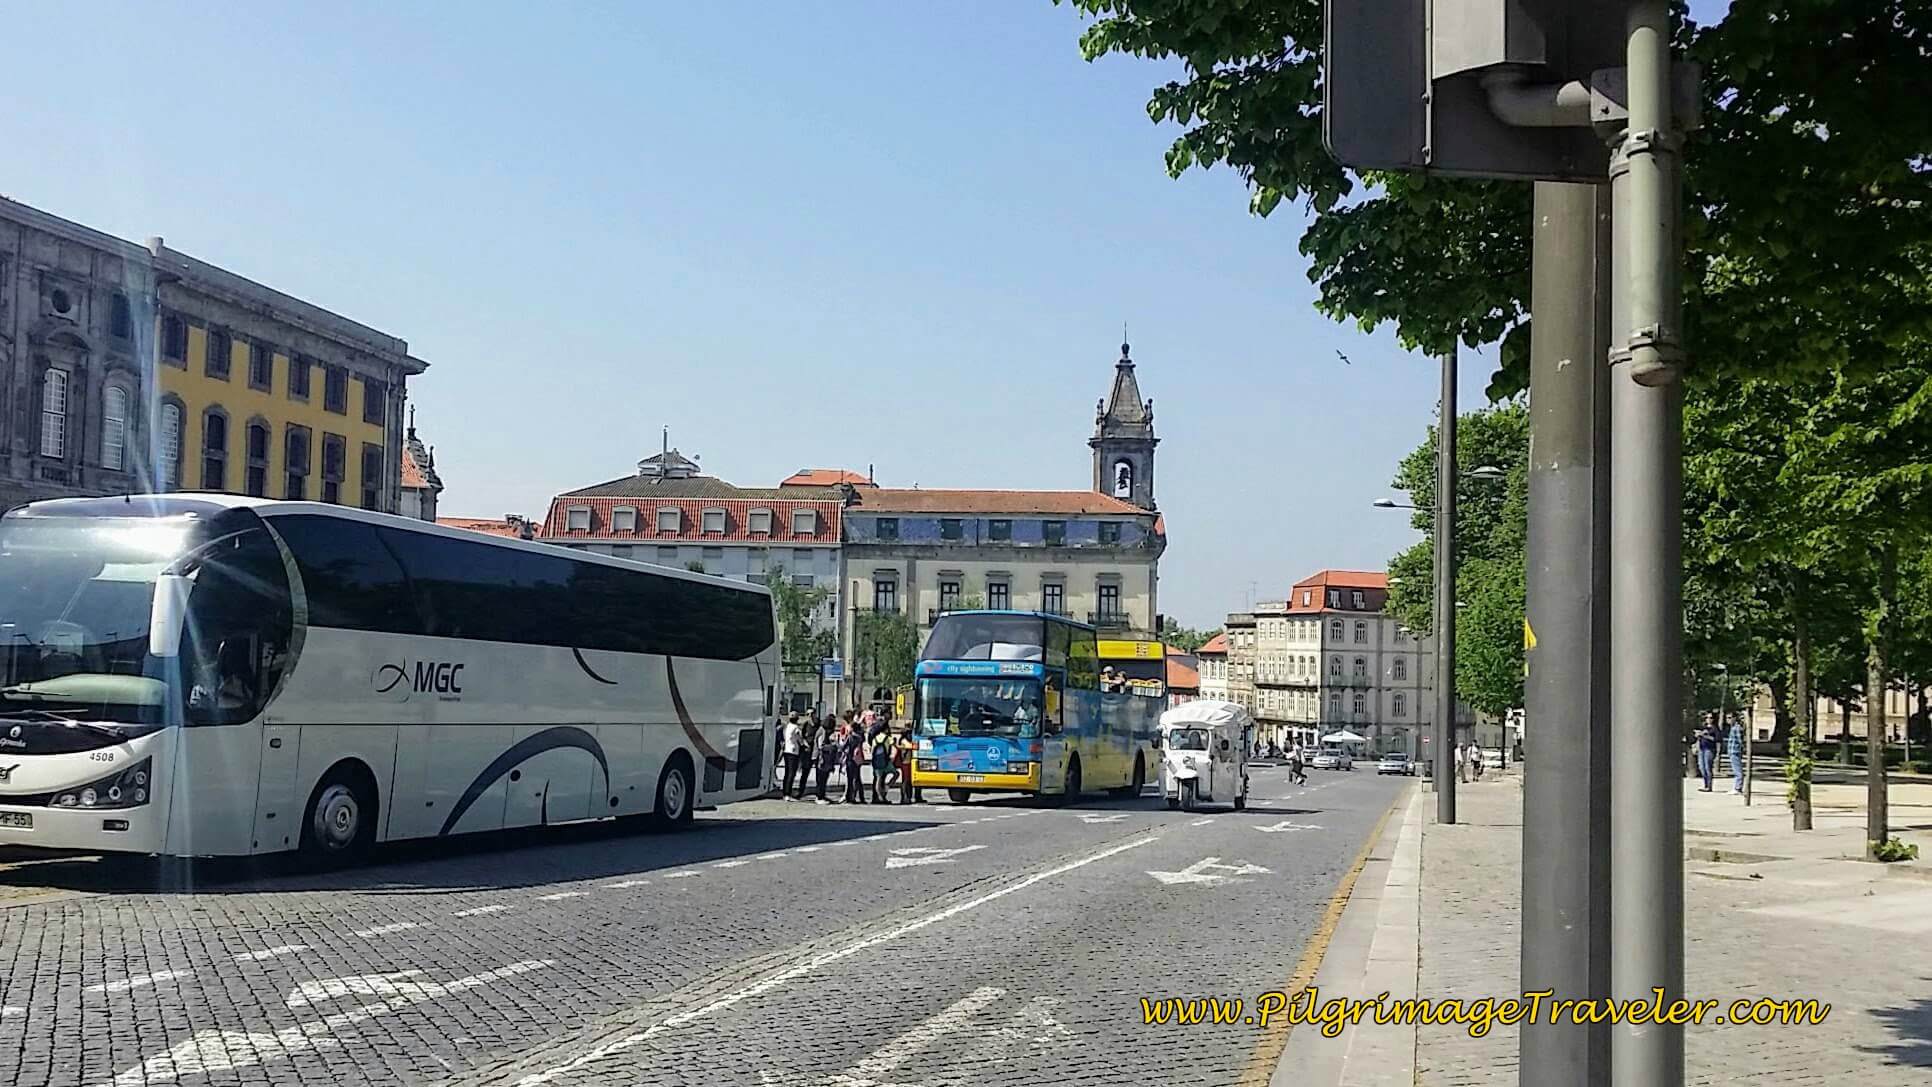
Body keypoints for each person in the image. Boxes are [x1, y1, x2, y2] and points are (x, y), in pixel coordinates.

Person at [841, 717, 866, 805]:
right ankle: (860, 796)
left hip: (850, 758)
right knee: (857, 778)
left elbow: (843, 747)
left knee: (850, 778)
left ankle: (850, 797)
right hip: (857, 759)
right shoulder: (859, 737)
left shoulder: (850, 737)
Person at [868, 714, 893, 803]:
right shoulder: (883, 726)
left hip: (877, 756)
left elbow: (870, 738)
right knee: (881, 778)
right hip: (884, 756)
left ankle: (877, 797)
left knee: (878, 777)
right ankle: (881, 796)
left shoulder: (876, 726)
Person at [812, 722, 838, 803]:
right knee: (821, 778)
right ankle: (819, 797)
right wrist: (832, 746)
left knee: (824, 777)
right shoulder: (822, 732)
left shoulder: (822, 730)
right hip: (821, 758)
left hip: (824, 758)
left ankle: (822, 795)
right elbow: (821, 746)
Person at [780, 714, 804, 800]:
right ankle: (788, 794)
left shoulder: (787, 727)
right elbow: (800, 739)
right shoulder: (796, 728)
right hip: (794, 751)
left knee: (787, 773)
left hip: (787, 750)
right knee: (791, 773)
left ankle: (785, 792)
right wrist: (803, 745)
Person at [896, 727, 922, 804]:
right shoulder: (904, 741)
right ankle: (904, 797)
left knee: (912, 781)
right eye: (909, 733)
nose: (910, 735)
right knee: (906, 781)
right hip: (906, 763)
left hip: (910, 762)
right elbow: (912, 746)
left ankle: (914, 796)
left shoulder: (907, 740)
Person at [1696, 717, 1719, 791]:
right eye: (1707, 718)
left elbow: (1717, 739)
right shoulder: (1703, 727)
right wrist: (1698, 735)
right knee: (1702, 767)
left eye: (1710, 718)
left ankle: (1709, 786)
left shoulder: (1715, 729)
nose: (1708, 719)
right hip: (1701, 749)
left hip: (1709, 749)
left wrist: (1706, 736)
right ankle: (1705, 784)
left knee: (1707, 768)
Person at [1726, 716, 1745, 794]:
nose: (1728, 720)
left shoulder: (1736, 728)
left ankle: (1738, 788)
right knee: (1736, 769)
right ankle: (1737, 787)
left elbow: (1740, 741)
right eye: (1727, 718)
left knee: (1737, 770)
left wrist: (1741, 749)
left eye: (1730, 718)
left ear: (1734, 718)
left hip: (1735, 751)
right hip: (1732, 751)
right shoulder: (1733, 728)